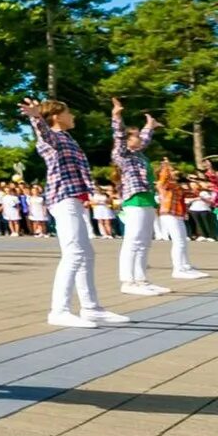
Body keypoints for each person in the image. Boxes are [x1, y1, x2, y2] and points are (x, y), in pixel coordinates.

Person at [21, 97, 129, 329]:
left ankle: (91, 308)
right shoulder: (53, 139)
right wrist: (36, 117)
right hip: (63, 198)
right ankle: (59, 310)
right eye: (69, 112)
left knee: (86, 254)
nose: (73, 116)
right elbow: (43, 133)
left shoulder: (69, 139)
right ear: (57, 116)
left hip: (76, 199)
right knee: (74, 253)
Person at [111, 98, 168, 296]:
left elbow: (145, 139)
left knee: (145, 241)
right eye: (134, 136)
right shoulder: (122, 154)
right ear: (128, 140)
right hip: (133, 200)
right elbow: (119, 136)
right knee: (133, 240)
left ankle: (141, 279)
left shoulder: (139, 155)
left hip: (147, 199)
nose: (139, 139)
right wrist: (116, 116)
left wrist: (149, 126)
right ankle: (128, 281)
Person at [155, 159, 207, 281]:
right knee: (178, 242)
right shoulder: (164, 184)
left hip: (177, 214)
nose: (176, 172)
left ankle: (185, 266)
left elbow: (191, 193)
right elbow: (163, 181)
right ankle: (178, 269)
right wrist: (166, 166)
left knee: (182, 241)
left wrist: (195, 183)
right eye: (173, 170)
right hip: (169, 213)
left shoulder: (175, 184)